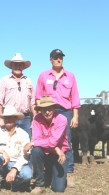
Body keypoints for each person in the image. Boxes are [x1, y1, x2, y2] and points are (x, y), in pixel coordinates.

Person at [35, 49, 80, 187]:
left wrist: (75, 116)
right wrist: (40, 113)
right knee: (45, 137)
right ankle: (47, 170)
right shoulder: (43, 75)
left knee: (67, 142)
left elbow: (75, 97)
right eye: (56, 57)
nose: (58, 59)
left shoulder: (70, 76)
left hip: (65, 111)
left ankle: (69, 172)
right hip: (48, 110)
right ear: (51, 60)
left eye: (60, 57)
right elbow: (38, 96)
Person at [0, 105, 32, 193]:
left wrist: (14, 169)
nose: (8, 119)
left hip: (16, 163)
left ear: (16, 118)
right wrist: (1, 151)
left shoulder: (23, 134)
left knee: (27, 174)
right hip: (1, 162)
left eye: (10, 117)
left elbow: (25, 156)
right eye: (6, 117)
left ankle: (13, 183)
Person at [24, 96, 68, 194]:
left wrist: (34, 143)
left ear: (53, 108)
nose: (47, 112)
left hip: (60, 154)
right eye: (44, 109)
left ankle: (54, 174)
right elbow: (37, 138)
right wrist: (56, 148)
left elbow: (51, 141)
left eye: (49, 109)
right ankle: (40, 184)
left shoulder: (62, 119)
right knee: (36, 150)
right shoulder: (36, 119)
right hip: (46, 152)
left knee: (59, 189)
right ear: (40, 110)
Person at [0, 53, 36, 137]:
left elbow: (33, 102)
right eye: (15, 64)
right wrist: (1, 117)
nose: (18, 66)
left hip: (26, 118)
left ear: (23, 66)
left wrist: (35, 116)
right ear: (11, 66)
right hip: (9, 118)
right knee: (7, 143)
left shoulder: (29, 81)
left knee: (26, 144)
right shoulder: (4, 80)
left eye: (20, 64)